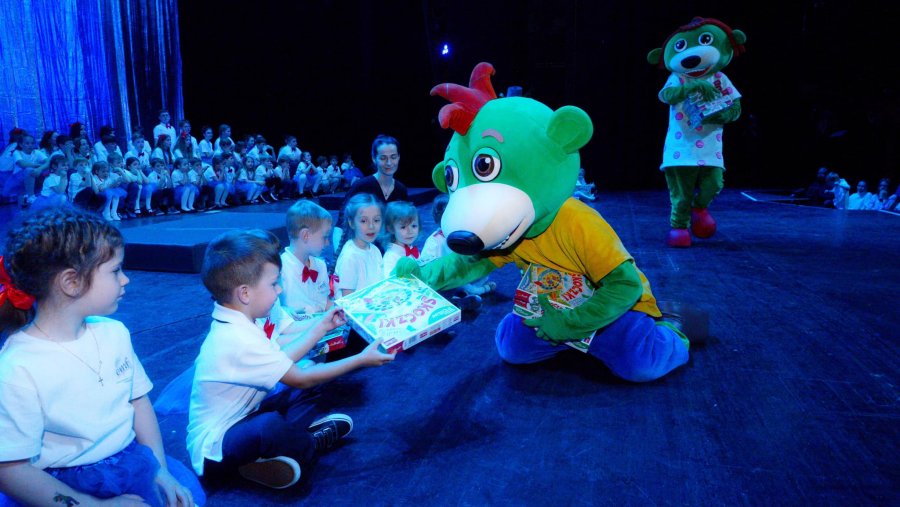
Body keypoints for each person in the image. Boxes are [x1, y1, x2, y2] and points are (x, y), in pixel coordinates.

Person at [0, 206, 204, 506]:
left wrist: (158, 468)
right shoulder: (19, 368)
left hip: (130, 459)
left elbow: (138, 401)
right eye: (115, 270)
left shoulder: (114, 333)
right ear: (71, 282)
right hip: (62, 482)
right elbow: (11, 468)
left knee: (187, 495)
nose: (125, 280)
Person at [187, 229, 394, 490]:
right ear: (245, 293)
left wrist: (321, 327)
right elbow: (300, 378)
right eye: (274, 283)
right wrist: (360, 359)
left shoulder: (241, 320)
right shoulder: (236, 338)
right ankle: (308, 444)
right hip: (214, 450)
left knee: (303, 391)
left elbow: (281, 358)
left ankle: (272, 455)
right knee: (271, 423)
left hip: (243, 417)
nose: (280, 288)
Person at [420, 194, 495, 308]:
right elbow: (429, 271)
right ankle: (474, 292)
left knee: (482, 273)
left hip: (459, 274)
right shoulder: (434, 242)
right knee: (464, 287)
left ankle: (463, 295)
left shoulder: (460, 235)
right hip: (446, 279)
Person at [280, 200, 335, 315]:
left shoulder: (320, 265)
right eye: (325, 237)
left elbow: (324, 301)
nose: (328, 243)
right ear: (305, 235)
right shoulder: (280, 270)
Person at [334, 193, 384, 296]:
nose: (371, 226)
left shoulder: (375, 250)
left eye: (376, 220)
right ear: (351, 223)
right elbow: (348, 301)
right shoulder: (350, 257)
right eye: (363, 221)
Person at [343, 134, 408, 207]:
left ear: (399, 157)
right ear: (374, 159)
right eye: (383, 158)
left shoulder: (401, 189)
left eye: (393, 157)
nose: (389, 163)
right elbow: (343, 215)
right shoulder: (360, 186)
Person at [380, 201, 422, 278]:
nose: (410, 231)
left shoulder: (413, 250)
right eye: (403, 227)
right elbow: (389, 282)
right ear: (391, 229)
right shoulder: (390, 257)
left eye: (414, 226)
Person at [11, 133, 49, 208]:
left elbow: (48, 162)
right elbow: (22, 164)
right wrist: (38, 166)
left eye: (32, 143)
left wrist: (40, 168)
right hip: (18, 178)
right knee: (29, 169)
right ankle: (31, 196)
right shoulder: (17, 152)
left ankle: (47, 195)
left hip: (33, 175)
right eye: (27, 143)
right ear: (21, 145)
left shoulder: (36, 152)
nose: (30, 145)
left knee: (46, 170)